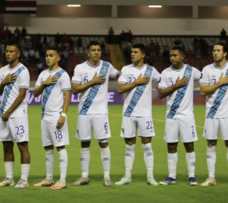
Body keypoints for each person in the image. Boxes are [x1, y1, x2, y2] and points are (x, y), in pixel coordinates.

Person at [70, 41, 120, 187]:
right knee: (84, 143)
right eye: (93, 50)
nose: (96, 52)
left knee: (103, 143)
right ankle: (84, 176)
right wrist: (93, 82)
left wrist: (139, 70)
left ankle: (107, 177)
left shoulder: (107, 66)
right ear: (88, 52)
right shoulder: (80, 68)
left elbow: (120, 75)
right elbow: (74, 89)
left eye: (98, 50)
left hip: (101, 113)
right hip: (84, 112)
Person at [115, 44, 161, 186]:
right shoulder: (126, 69)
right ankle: (127, 176)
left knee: (147, 146)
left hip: (145, 114)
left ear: (143, 55)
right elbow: (120, 89)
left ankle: (150, 176)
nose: (132, 54)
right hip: (129, 113)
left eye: (135, 52)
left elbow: (163, 81)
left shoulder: (151, 70)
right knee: (129, 146)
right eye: (131, 52)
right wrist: (137, 82)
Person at [157, 45, 202, 186]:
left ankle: (192, 176)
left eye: (175, 55)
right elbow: (161, 94)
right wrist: (176, 85)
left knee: (189, 145)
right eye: (171, 55)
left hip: (187, 116)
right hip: (171, 115)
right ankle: (172, 176)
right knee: (171, 146)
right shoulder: (165, 73)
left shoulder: (191, 71)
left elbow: (206, 76)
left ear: (182, 56)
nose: (172, 58)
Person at [199, 42, 228, 187]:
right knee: (211, 144)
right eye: (214, 50)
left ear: (225, 53)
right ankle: (211, 177)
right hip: (211, 113)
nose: (215, 53)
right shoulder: (206, 69)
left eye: (218, 50)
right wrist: (220, 82)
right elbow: (204, 91)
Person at [0, 42, 31, 189]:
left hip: (17, 114)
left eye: (11, 51)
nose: (8, 53)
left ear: (18, 54)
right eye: (7, 51)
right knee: (7, 146)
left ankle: (24, 180)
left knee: (22, 146)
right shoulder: (2, 70)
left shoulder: (23, 71)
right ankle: (9, 178)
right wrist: (3, 83)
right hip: (4, 113)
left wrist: (9, 112)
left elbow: (22, 95)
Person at [33, 46, 71, 190]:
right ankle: (49, 178)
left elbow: (68, 96)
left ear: (58, 58)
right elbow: (35, 93)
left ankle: (62, 179)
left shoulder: (63, 74)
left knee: (60, 147)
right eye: (47, 55)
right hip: (45, 117)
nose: (48, 57)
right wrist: (44, 83)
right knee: (48, 148)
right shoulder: (43, 74)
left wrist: (63, 116)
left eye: (51, 55)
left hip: (56, 117)